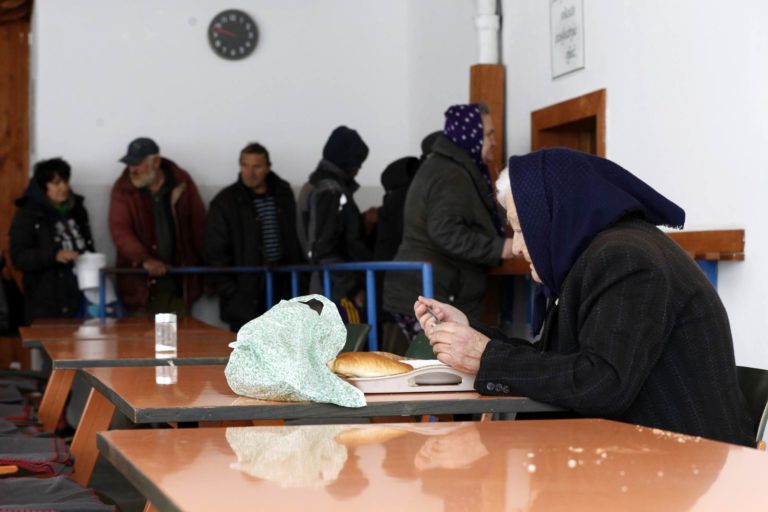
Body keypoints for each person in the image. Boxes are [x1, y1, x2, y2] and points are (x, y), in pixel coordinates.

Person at [415, 148, 755, 446]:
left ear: (553, 217)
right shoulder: (600, 255)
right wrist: (473, 334)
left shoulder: (625, 259)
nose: (516, 247)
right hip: (647, 452)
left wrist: (485, 356)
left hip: (684, 464)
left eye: (521, 229)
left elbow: (602, 383)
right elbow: (557, 362)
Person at [383, 104, 515, 340]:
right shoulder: (451, 174)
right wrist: (499, 247)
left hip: (425, 289)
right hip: (431, 294)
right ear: (470, 134)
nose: (494, 142)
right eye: (488, 134)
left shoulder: (446, 166)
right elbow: (445, 231)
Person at [204, 142, 303, 331]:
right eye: (245, 165)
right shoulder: (225, 201)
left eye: (257, 166)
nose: (250, 173)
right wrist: (232, 291)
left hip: (282, 288)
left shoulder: (283, 195)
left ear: (268, 168)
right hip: (244, 297)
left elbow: (295, 239)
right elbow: (214, 251)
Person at [108, 137, 206, 316]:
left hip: (178, 283)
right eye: (130, 164)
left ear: (156, 162)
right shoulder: (123, 189)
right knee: (141, 333)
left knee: (175, 333)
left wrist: (207, 271)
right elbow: (120, 230)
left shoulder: (182, 182)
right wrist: (144, 259)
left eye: (138, 164)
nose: (132, 170)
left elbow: (199, 226)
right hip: (140, 286)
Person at [297, 126, 372, 317]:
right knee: (353, 337)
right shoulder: (330, 191)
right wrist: (353, 289)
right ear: (348, 161)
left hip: (325, 284)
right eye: (358, 163)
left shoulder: (314, 185)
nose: (359, 170)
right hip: (336, 291)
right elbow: (323, 247)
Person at [9, 158, 95, 323]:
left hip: (80, 298)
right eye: (56, 183)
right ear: (43, 186)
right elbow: (19, 257)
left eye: (65, 181)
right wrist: (54, 255)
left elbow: (87, 244)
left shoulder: (77, 209)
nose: (63, 187)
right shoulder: (29, 213)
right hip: (46, 303)